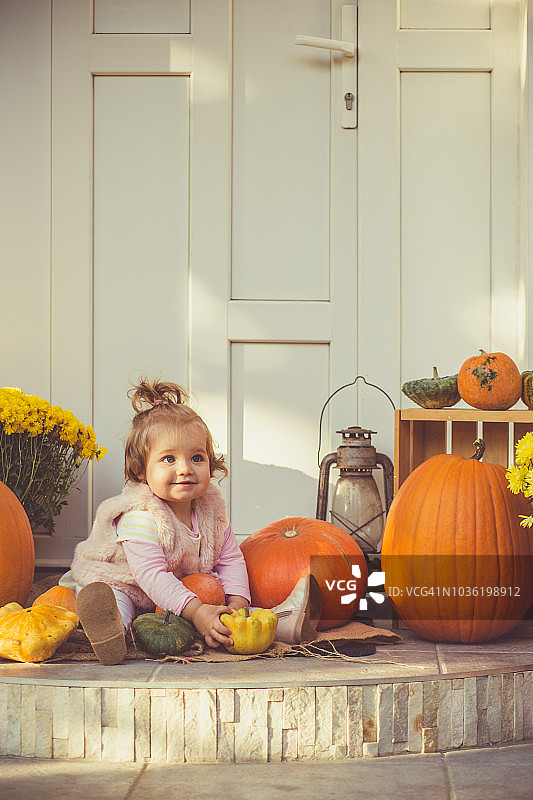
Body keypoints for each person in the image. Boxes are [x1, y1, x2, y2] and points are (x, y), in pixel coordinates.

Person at [59, 378, 322, 665]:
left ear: (211, 462)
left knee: (225, 614)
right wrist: (197, 612)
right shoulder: (140, 515)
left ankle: (278, 621)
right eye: (169, 459)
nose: (185, 469)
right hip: (122, 583)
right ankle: (110, 633)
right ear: (140, 470)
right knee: (119, 605)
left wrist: (238, 603)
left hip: (173, 594)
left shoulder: (212, 511)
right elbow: (152, 576)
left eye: (197, 457)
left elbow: (230, 559)